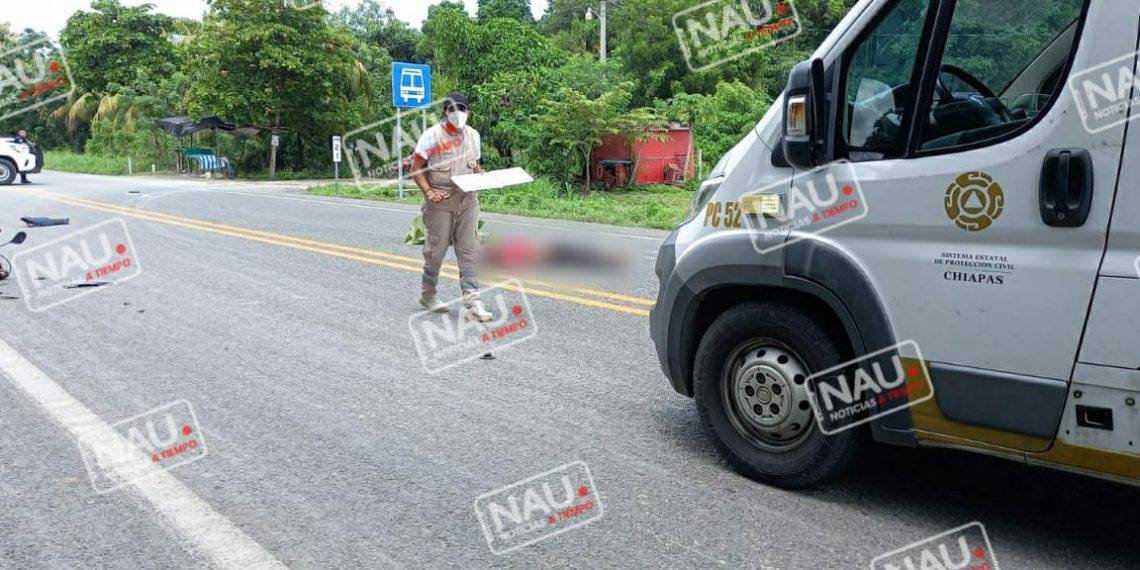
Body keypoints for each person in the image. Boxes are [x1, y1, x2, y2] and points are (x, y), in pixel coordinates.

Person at [410, 93, 493, 322]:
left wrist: (481, 176)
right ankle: (428, 295)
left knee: (469, 250)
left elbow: (475, 164)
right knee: (435, 252)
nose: (457, 113)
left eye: (461, 109)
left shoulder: (473, 135)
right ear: (445, 112)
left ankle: (473, 301)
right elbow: (416, 167)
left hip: (467, 201)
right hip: (440, 202)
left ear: (468, 112)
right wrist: (428, 191)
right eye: (452, 109)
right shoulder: (431, 136)